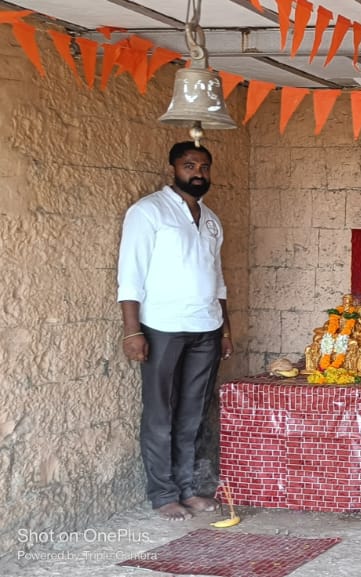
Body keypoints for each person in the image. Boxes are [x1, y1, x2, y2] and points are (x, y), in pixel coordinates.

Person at [117, 142, 231, 520]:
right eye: (189, 165)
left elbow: (217, 279)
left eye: (204, 167)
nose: (198, 173)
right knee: (160, 413)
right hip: (162, 326)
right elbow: (130, 274)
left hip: (206, 327)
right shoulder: (148, 211)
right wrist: (132, 330)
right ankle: (163, 493)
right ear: (174, 168)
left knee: (193, 413)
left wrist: (225, 329)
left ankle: (187, 488)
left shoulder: (211, 220)